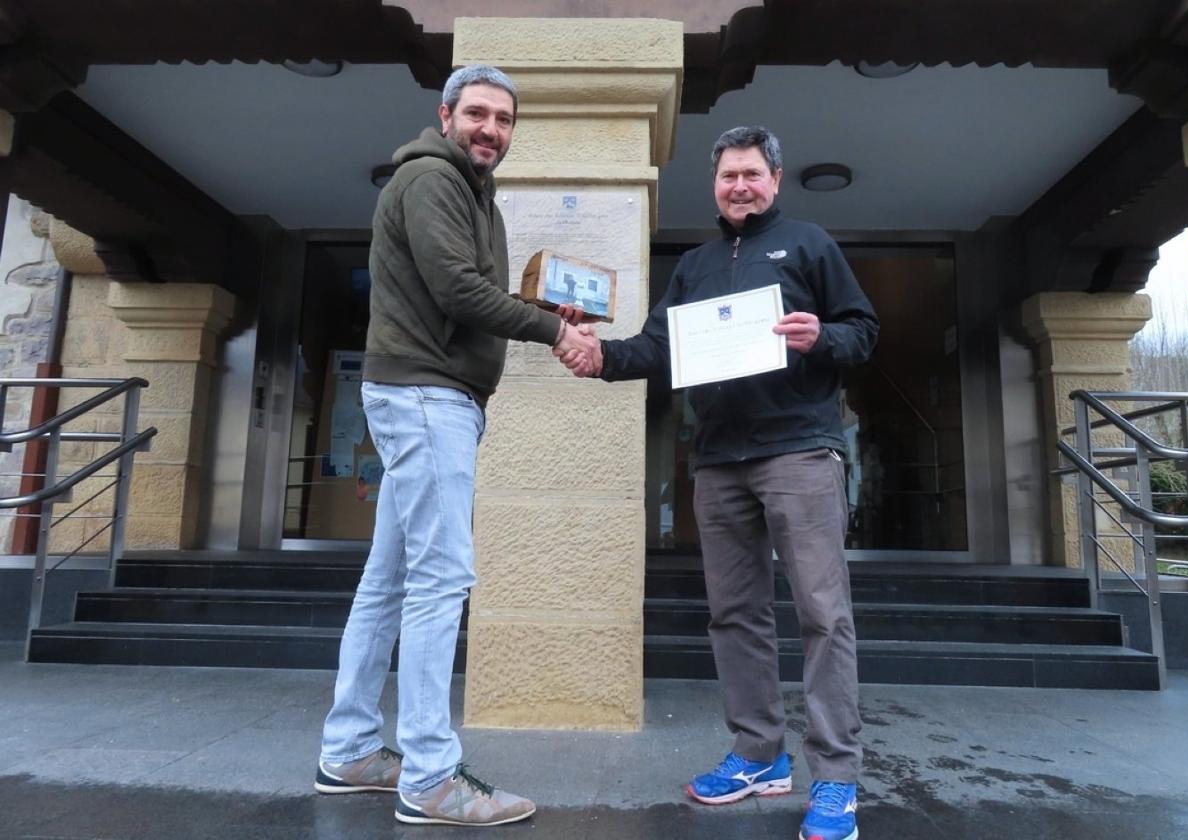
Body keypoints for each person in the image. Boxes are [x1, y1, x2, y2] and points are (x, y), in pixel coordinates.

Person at [558, 126, 879, 840]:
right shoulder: (696, 266)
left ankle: (836, 777)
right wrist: (599, 358)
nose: (740, 186)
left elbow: (863, 330)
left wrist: (821, 337)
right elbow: (656, 348)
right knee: (735, 613)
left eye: (751, 174)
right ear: (715, 185)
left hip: (799, 450)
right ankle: (759, 753)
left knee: (823, 614)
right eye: (728, 176)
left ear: (775, 179)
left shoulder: (809, 245)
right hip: (719, 461)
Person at [315, 64, 594, 828]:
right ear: (446, 116)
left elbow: (463, 287)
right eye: (477, 113)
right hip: (426, 395)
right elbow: (455, 290)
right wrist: (554, 330)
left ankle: (349, 750)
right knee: (441, 578)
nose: (490, 129)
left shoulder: (472, 194)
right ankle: (431, 776)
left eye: (503, 119)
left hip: (429, 395)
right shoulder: (433, 178)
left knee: (389, 580)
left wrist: (542, 305)